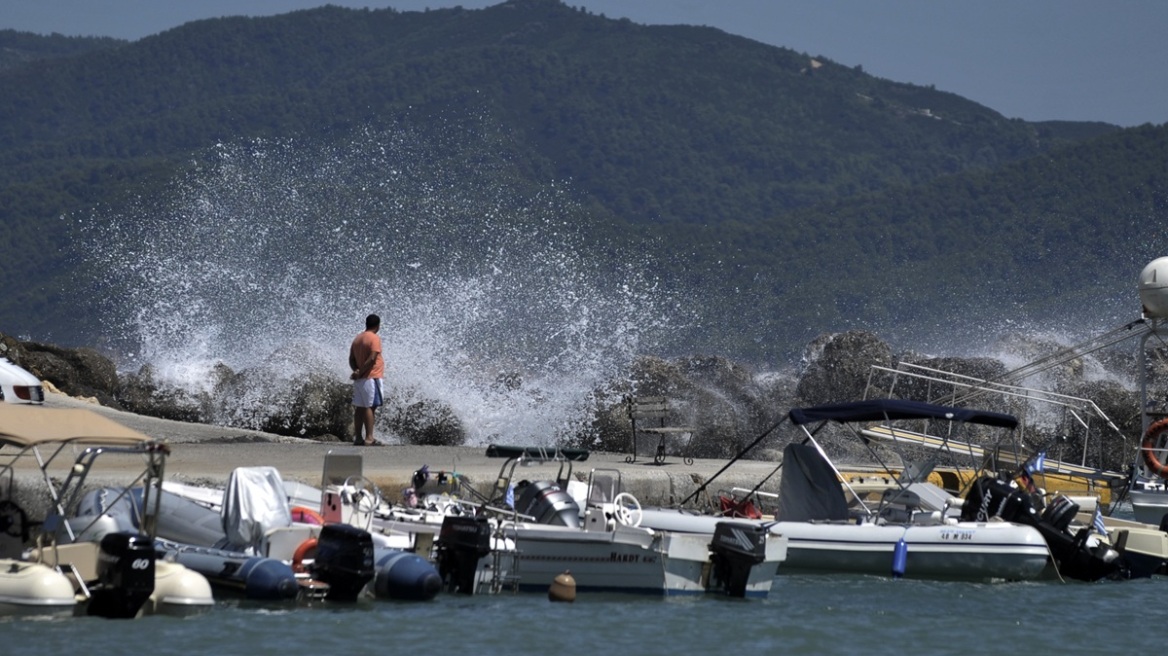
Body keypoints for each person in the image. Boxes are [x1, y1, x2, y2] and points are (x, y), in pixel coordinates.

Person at [349, 313, 384, 446]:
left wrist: (356, 371)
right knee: (370, 407)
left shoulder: (358, 338)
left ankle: (358, 438)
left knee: (360, 407)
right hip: (371, 377)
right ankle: (369, 438)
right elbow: (372, 358)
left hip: (360, 380)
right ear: (378, 325)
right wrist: (362, 372)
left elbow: (351, 359)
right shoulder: (374, 338)